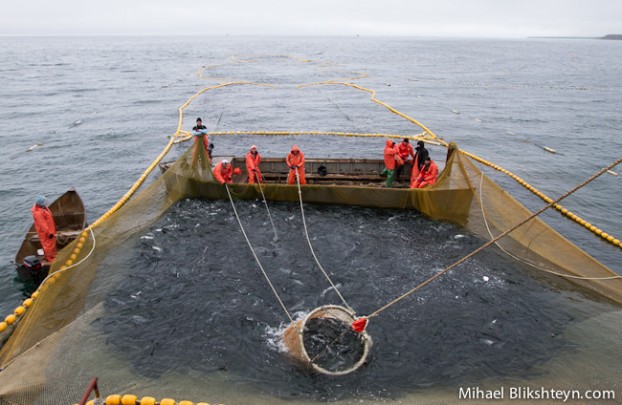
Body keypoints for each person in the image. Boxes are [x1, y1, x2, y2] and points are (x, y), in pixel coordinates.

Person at [31, 195, 56, 263]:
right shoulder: (38, 213)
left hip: (50, 229)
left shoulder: (43, 208)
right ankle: (50, 259)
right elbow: (43, 225)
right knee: (48, 245)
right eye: (45, 201)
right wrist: (49, 233)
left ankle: (52, 255)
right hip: (46, 232)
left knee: (51, 244)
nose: (46, 202)